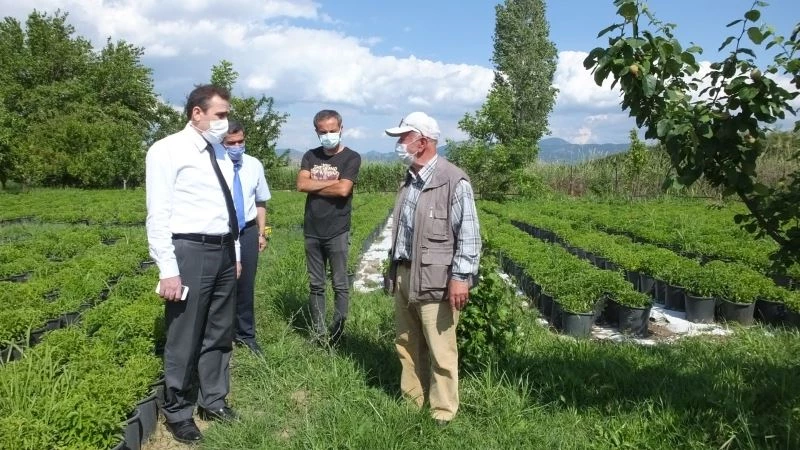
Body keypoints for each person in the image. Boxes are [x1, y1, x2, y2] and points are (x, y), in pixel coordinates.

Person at [146, 84, 242, 445]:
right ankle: (178, 411)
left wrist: (232, 254)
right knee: (184, 335)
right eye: (220, 114)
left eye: (226, 114)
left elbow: (224, 206)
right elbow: (158, 213)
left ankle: (214, 400)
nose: (225, 122)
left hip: (220, 250)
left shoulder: (217, 151)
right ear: (196, 113)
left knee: (219, 332)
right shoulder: (166, 150)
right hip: (189, 250)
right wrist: (168, 268)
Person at [383, 111, 481, 425]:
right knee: (407, 343)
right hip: (405, 274)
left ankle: (443, 413)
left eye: (404, 137)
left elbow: (468, 233)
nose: (399, 144)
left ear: (422, 141)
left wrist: (460, 278)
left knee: (441, 348)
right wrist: (394, 272)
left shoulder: (453, 180)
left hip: (437, 278)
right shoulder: (409, 180)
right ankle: (413, 401)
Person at [296, 109, 361, 347]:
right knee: (316, 284)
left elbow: (344, 190)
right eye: (323, 132)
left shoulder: (351, 158)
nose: (328, 135)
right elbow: (301, 184)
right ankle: (318, 332)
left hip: (338, 229)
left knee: (340, 283)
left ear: (341, 129)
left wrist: (317, 184)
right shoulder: (310, 156)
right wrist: (333, 182)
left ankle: (338, 332)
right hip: (312, 229)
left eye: (333, 131)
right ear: (316, 131)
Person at [223, 120, 271, 355]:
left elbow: (261, 201)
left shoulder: (254, 165)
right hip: (222, 232)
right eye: (231, 142)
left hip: (248, 230)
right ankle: (222, 334)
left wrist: (262, 233)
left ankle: (246, 334)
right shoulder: (214, 164)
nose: (237, 146)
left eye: (240, 141)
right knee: (223, 284)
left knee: (246, 284)